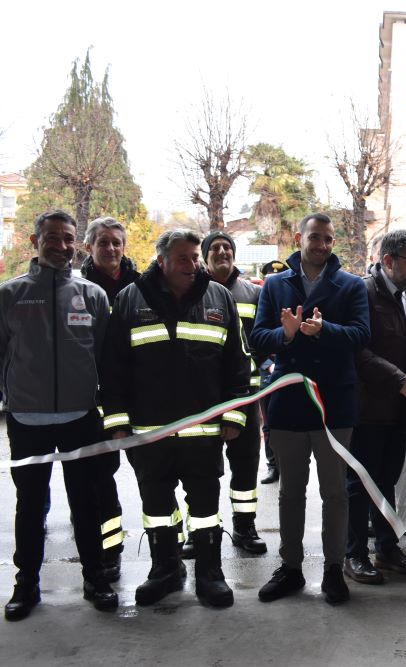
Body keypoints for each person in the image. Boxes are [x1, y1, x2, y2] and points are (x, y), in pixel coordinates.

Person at [102, 228, 251, 608]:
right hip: (149, 433)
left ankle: (210, 573)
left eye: (195, 257)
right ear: (161, 260)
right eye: (183, 258)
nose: (193, 264)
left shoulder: (218, 297)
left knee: (204, 507)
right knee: (156, 508)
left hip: (204, 432)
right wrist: (117, 421)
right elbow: (113, 367)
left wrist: (234, 415)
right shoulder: (130, 299)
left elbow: (237, 362)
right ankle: (165, 569)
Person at [1, 210, 118, 621]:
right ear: (36, 241)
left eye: (68, 239)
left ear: (77, 243)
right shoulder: (10, 294)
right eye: (53, 237)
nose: (62, 246)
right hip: (26, 420)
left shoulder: (93, 295)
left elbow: (107, 358)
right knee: (30, 506)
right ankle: (25, 585)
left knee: (87, 503)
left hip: (81, 418)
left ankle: (96, 577)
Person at [251, 213, 370, 606]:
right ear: (300, 238)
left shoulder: (351, 285)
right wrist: (284, 335)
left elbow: (361, 335)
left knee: (336, 492)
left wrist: (325, 331)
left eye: (329, 239)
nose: (321, 245)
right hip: (288, 402)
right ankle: (290, 567)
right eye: (315, 237)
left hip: (334, 403)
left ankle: (334, 569)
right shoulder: (274, 284)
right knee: (291, 491)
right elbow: (257, 339)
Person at [344, 229, 406, 585]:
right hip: (367, 408)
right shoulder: (362, 292)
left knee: (387, 480)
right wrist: (398, 378)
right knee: (360, 482)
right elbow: (357, 350)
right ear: (388, 260)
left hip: (399, 409)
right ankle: (354, 554)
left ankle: (386, 547)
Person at [80, 216, 142, 582]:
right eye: (103, 242)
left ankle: (169, 550)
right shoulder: (78, 287)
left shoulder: (143, 286)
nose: (111, 249)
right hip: (95, 399)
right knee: (101, 479)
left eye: (117, 242)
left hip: (139, 396)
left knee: (155, 473)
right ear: (89, 247)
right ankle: (109, 550)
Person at [202, 231, 268, 555]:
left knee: (245, 465)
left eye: (227, 247)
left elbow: (260, 340)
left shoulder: (252, 293)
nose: (222, 252)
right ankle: (202, 530)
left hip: (245, 394)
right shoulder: (193, 292)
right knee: (201, 470)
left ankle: (245, 528)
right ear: (205, 256)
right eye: (215, 248)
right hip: (204, 398)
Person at [258, 259, 289, 486]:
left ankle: (287, 464)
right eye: (268, 279)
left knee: (287, 425)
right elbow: (254, 339)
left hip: (288, 372)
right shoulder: (259, 298)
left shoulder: (289, 299)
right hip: (267, 371)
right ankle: (272, 465)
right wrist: (266, 363)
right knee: (268, 424)